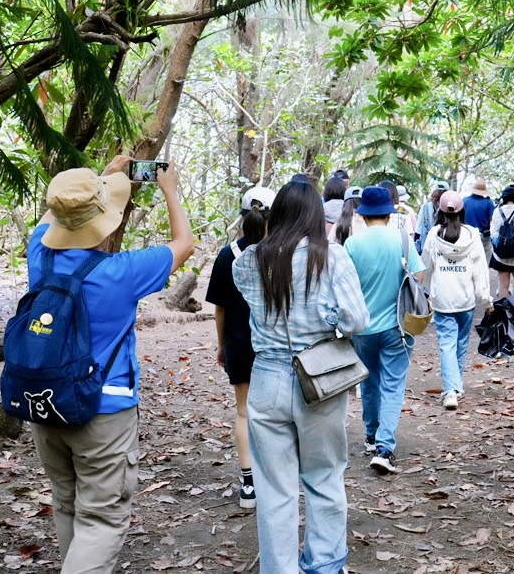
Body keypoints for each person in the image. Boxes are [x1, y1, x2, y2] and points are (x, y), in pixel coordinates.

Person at [28, 155, 195, 573]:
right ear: (105, 218)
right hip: (103, 410)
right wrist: (169, 191)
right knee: (102, 517)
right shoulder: (122, 272)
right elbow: (184, 245)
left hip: (44, 401)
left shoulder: (38, 253)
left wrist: (103, 176)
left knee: (67, 501)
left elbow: (61, 210)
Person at [231, 180, 369, 574]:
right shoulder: (332, 257)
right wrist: (324, 319)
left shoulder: (251, 260)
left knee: (274, 487)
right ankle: (324, 565)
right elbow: (356, 320)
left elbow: (246, 289)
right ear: (314, 216)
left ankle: (280, 569)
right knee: (324, 476)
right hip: (320, 376)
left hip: (267, 378)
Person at [343, 187, 425, 474]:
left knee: (369, 380)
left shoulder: (352, 244)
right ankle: (384, 448)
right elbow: (419, 276)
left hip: (362, 327)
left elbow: (344, 283)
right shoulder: (402, 240)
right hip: (398, 327)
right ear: (389, 213)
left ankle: (370, 434)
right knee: (393, 385)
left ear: (362, 215)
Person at [204, 185, 276, 509]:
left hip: (237, 341)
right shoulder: (282, 254)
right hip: (274, 345)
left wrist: (221, 345)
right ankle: (276, 476)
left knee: (244, 412)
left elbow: (219, 308)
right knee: (275, 413)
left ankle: (249, 484)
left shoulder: (226, 255)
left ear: (242, 217)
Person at [420, 191, 490, 411]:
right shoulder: (472, 235)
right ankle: (455, 387)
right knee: (460, 343)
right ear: (462, 211)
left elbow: (426, 266)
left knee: (447, 344)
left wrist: (426, 290)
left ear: (439, 211)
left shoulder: (433, 234)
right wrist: (486, 299)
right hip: (465, 299)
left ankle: (451, 390)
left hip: (443, 299)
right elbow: (480, 271)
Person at [463, 177, 496, 261]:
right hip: (484, 234)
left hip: (467, 234)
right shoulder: (488, 202)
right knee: (484, 258)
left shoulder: (464, 201)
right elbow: (493, 220)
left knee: (468, 257)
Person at [415, 181, 447, 253]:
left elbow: (418, 229)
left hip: (427, 246)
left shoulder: (425, 207)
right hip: (444, 247)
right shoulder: (449, 207)